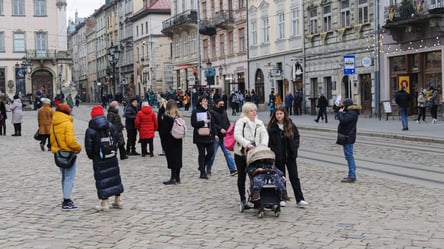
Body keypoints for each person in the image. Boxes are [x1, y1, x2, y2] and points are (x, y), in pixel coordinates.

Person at [267, 105, 308, 208]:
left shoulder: (290, 124)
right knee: (281, 178)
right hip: (278, 156)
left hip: (290, 155)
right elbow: (269, 141)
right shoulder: (272, 127)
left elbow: (297, 136)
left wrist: (294, 147)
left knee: (294, 177)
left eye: (281, 114)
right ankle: (282, 197)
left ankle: (300, 199)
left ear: (284, 114)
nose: (279, 116)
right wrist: (273, 151)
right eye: (277, 114)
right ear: (274, 115)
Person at [85, 105, 124, 211]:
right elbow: (116, 138)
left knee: (102, 179)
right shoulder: (110, 125)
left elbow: (89, 147)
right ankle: (118, 200)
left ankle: (105, 203)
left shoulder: (91, 129)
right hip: (111, 155)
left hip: (99, 158)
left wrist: (93, 156)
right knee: (114, 177)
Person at [233, 102, 268, 209]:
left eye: (255, 110)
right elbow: (237, 135)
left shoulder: (259, 122)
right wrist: (247, 144)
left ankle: (256, 198)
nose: (254, 112)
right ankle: (243, 199)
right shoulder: (241, 122)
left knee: (256, 175)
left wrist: (263, 145)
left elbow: (265, 134)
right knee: (242, 176)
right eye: (251, 111)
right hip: (241, 153)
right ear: (246, 112)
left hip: (256, 154)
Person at [50, 104, 82, 210]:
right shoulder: (67, 123)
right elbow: (70, 141)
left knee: (64, 177)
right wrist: (78, 148)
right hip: (68, 153)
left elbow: (52, 139)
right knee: (69, 177)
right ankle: (67, 200)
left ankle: (66, 198)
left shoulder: (54, 123)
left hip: (58, 153)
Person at [207, 98, 237, 176]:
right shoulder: (212, 113)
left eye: (223, 104)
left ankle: (232, 169)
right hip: (216, 137)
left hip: (224, 137)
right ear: (216, 104)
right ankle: (208, 168)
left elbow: (227, 122)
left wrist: (230, 130)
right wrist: (219, 130)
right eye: (220, 104)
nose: (222, 106)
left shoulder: (224, 112)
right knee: (213, 154)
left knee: (227, 153)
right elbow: (212, 124)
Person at [158, 99, 184, 185]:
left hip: (170, 141)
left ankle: (173, 178)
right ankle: (177, 177)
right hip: (178, 140)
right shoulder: (178, 116)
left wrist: (161, 111)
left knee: (172, 159)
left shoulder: (167, 117)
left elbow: (163, 130)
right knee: (178, 159)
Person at [191, 95, 216, 179]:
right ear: (200, 102)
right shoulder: (195, 111)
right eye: (204, 101)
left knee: (211, 152)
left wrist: (215, 134)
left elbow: (212, 124)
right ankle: (202, 172)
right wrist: (203, 122)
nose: (206, 102)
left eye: (206, 101)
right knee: (201, 154)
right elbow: (193, 123)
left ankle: (201, 166)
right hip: (199, 136)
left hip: (209, 135)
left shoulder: (209, 112)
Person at [337, 98, 361, 183]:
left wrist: (340, 113)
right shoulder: (350, 112)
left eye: (343, 105)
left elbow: (343, 120)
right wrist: (339, 110)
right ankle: (351, 174)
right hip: (348, 136)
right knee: (348, 156)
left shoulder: (351, 113)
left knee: (349, 156)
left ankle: (352, 175)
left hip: (348, 137)